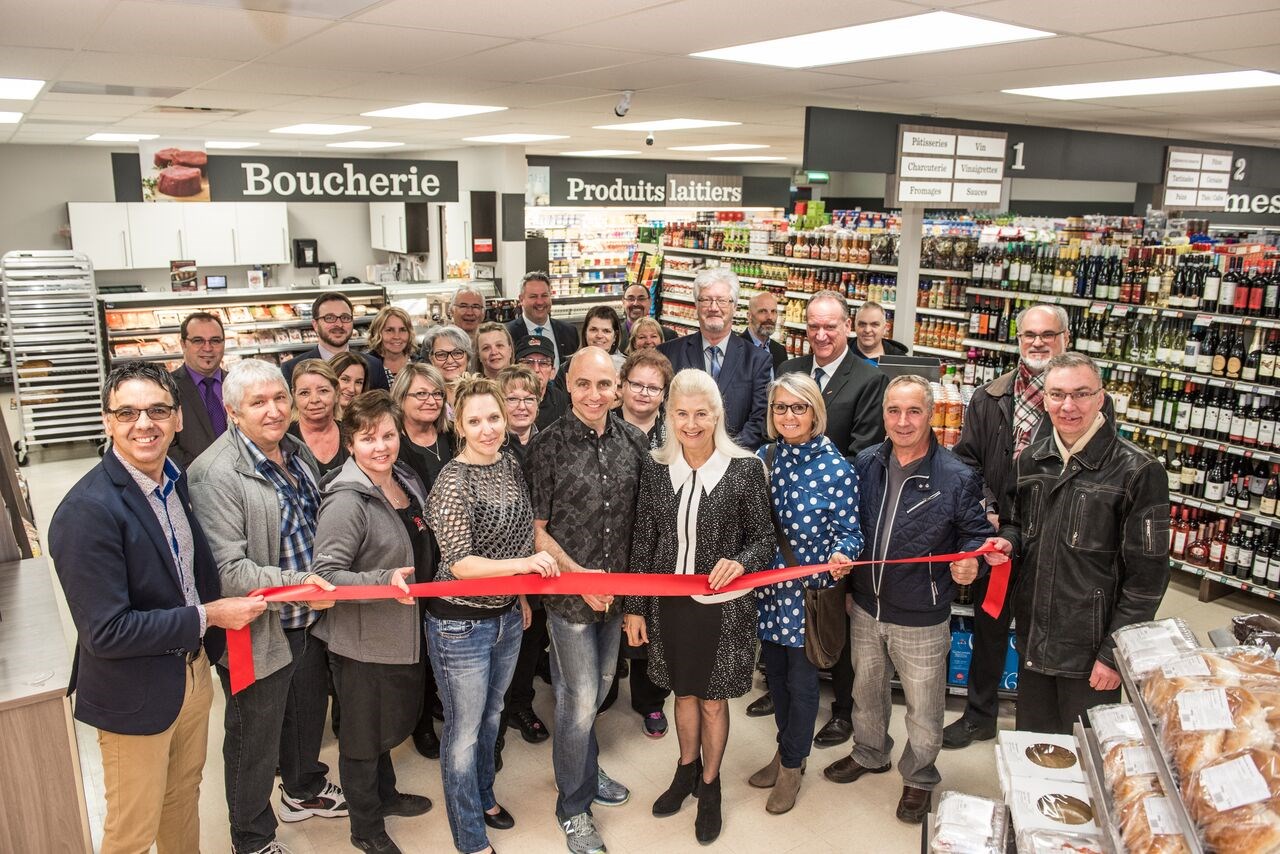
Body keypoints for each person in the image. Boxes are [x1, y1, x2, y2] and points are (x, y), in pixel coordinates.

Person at [49, 361, 265, 854]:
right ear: (107, 421)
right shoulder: (87, 512)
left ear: (177, 419)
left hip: (188, 677)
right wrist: (209, 617)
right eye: (127, 413)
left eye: (157, 410)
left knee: (180, 799)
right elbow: (106, 632)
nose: (143, 424)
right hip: (134, 693)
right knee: (132, 830)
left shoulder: (175, 482)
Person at [188, 359, 347, 854]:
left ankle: (302, 790)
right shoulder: (215, 474)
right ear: (233, 412)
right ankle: (252, 838)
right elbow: (230, 572)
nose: (275, 410)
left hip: (305, 619)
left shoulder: (293, 449)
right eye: (258, 403)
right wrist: (302, 580)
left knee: (304, 716)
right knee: (253, 740)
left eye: (280, 398)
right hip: (256, 630)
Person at [823, 375, 991, 827]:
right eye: (894, 411)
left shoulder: (956, 477)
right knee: (866, 692)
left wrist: (974, 566)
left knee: (924, 705)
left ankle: (919, 776)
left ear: (931, 413)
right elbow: (848, 526)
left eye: (913, 411)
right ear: (883, 415)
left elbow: (978, 538)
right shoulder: (865, 463)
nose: (903, 421)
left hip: (921, 612)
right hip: (865, 605)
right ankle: (870, 752)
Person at [624, 368, 775, 844]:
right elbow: (644, 542)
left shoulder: (746, 468)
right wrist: (634, 607)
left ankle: (710, 786)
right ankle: (685, 770)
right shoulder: (655, 467)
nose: (691, 424)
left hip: (725, 609)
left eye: (701, 414)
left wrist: (741, 560)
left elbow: (765, 539)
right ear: (670, 416)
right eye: (682, 414)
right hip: (670, 607)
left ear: (717, 416)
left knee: (712, 700)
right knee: (682, 694)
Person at [986, 352, 1170, 735]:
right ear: (1045, 399)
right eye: (1057, 395)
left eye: (1081, 394)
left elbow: (1147, 580)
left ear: (1100, 398)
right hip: (1034, 639)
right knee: (1035, 753)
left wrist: (1113, 655)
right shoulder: (1032, 460)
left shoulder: (1138, 470)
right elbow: (1017, 523)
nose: (1068, 406)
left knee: (1089, 764)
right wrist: (1007, 542)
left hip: (1090, 653)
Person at [424, 376, 559, 854]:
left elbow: (518, 535)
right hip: (460, 624)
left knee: (492, 716)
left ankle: (482, 797)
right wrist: (524, 568)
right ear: (457, 425)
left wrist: (520, 594)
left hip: (504, 615)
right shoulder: (452, 481)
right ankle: (468, 835)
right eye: (475, 420)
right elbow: (460, 564)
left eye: (494, 418)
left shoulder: (508, 464)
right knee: (463, 731)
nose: (487, 429)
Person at [524, 348, 650, 854]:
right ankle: (573, 808)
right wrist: (580, 580)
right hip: (570, 604)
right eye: (584, 384)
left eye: (604, 384)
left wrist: (633, 600)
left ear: (618, 387)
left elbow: (642, 528)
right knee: (576, 704)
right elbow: (535, 531)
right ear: (567, 385)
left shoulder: (635, 443)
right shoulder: (546, 447)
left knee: (597, 693)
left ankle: (585, 767)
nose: (594, 395)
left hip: (616, 601)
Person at [942, 304, 1072, 750]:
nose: (1038, 343)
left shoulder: (1084, 400)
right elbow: (966, 461)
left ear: (1065, 340)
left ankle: (1036, 727)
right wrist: (989, 507)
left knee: (1043, 631)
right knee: (989, 626)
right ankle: (980, 716)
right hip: (998, 536)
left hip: (1052, 541)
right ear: (1018, 340)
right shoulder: (990, 397)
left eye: (1048, 335)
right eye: (1029, 335)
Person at [310, 391, 433, 854]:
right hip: (360, 641)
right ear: (349, 444)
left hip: (397, 629)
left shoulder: (401, 479)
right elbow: (324, 577)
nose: (381, 446)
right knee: (362, 739)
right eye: (368, 439)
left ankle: (386, 795)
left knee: (382, 728)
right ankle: (365, 827)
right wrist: (382, 579)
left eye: (387, 434)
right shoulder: (347, 500)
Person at [771, 290, 889, 740]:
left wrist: (815, 473)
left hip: (831, 512)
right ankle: (782, 698)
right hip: (785, 539)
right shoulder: (790, 370)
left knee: (831, 619)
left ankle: (841, 708)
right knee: (787, 641)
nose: (820, 335)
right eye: (813, 327)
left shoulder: (867, 378)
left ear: (848, 328)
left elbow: (862, 451)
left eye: (830, 327)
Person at [749, 373, 863, 815]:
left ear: (815, 412)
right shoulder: (765, 456)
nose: (789, 415)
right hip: (768, 594)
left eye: (799, 407)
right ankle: (783, 751)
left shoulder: (837, 469)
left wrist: (841, 555)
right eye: (781, 407)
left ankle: (793, 766)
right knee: (774, 680)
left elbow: (851, 533)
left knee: (801, 684)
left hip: (809, 598)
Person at [608, 348, 677, 737]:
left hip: (658, 546)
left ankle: (650, 700)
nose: (645, 393)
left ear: (665, 394)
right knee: (611, 621)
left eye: (654, 387)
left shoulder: (675, 435)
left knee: (655, 623)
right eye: (637, 384)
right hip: (610, 542)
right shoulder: (603, 426)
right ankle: (604, 692)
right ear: (622, 386)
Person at [390, 363, 453, 762]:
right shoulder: (394, 445)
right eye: (420, 394)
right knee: (420, 644)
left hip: (457, 557)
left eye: (436, 394)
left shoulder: (453, 437)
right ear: (401, 400)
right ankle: (421, 723)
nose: (430, 401)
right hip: (416, 557)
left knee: (446, 635)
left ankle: (441, 705)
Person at [657, 268, 771, 450]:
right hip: (681, 457)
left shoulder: (757, 360)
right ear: (696, 304)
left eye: (722, 301)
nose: (713, 308)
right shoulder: (668, 353)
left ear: (734, 306)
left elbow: (760, 419)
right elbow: (661, 411)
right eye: (706, 299)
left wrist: (726, 453)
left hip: (735, 461)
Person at [495, 364, 548, 748]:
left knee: (532, 641)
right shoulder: (494, 449)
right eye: (512, 398)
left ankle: (521, 704)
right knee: (504, 647)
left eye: (529, 398)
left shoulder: (547, 443)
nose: (521, 405)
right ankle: (497, 717)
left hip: (544, 559)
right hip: (507, 566)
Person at [282, 292, 389, 390]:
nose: (339, 324)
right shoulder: (291, 368)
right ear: (315, 325)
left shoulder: (374, 366)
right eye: (329, 318)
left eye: (345, 317)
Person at [169, 311, 228, 468]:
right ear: (183, 344)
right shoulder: (166, 388)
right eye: (198, 341)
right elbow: (166, 444)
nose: (207, 348)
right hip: (191, 482)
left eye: (215, 340)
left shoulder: (239, 384)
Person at [505, 271, 579, 373]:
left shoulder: (569, 332)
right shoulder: (507, 333)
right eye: (533, 296)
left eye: (544, 295)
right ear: (521, 299)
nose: (540, 302)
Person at [287, 358, 348, 477]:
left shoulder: (353, 433)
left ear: (336, 393)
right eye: (304, 393)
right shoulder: (283, 439)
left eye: (323, 391)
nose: (314, 400)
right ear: (294, 395)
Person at [517, 334, 570, 430]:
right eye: (528, 362)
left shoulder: (560, 400)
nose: (536, 369)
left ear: (552, 372)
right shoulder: (503, 400)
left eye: (543, 363)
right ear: (515, 368)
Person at [421, 324, 474, 410]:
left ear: (467, 357)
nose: (450, 361)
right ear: (431, 359)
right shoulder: (423, 397)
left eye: (457, 353)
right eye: (441, 355)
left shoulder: (483, 392)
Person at [367, 306, 417, 385]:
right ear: (377, 333)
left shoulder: (419, 363)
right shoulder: (367, 365)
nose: (397, 336)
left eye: (402, 330)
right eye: (389, 330)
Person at [619, 283, 676, 351]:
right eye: (630, 299)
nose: (635, 303)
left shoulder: (669, 336)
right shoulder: (614, 335)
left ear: (650, 301)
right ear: (623, 301)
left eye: (641, 299)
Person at [741, 291, 786, 371]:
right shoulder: (734, 348)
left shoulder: (780, 351)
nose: (769, 317)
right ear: (749, 316)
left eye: (773, 312)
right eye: (762, 311)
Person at [579, 305, 626, 372]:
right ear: (585, 333)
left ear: (615, 336)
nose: (599, 336)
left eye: (606, 331)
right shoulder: (568, 367)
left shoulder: (627, 368)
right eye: (593, 329)